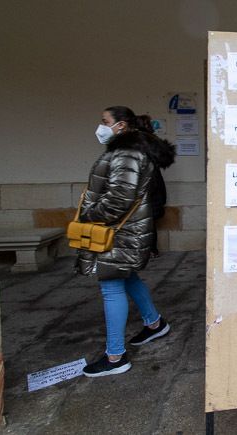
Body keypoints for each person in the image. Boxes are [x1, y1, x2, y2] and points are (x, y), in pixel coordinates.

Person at [77, 106, 175, 377]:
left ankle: (115, 356)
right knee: (127, 276)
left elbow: (119, 198)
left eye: (104, 121)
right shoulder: (131, 150)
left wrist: (89, 214)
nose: (101, 126)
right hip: (126, 230)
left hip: (118, 232)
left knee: (111, 287)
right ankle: (154, 324)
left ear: (120, 125)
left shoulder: (127, 153)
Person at [136, 115, 175, 257]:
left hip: (145, 188)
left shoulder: (137, 145)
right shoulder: (153, 144)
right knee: (149, 221)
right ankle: (151, 250)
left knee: (144, 222)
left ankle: (148, 250)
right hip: (153, 187)